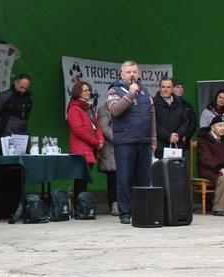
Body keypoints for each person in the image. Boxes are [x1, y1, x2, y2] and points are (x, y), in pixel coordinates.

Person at [106, 60, 157, 224]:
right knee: (124, 178)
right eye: (128, 72)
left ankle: (143, 211)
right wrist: (130, 94)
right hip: (125, 142)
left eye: (134, 72)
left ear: (139, 73)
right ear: (122, 75)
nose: (132, 75)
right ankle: (125, 213)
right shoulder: (114, 91)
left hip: (144, 141)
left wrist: (153, 140)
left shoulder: (146, 92)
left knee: (144, 178)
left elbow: (152, 117)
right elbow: (115, 110)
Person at [66, 81, 104, 201]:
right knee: (81, 180)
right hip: (81, 149)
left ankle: (82, 206)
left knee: (85, 179)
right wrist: (96, 142)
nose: (88, 93)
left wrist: (100, 140)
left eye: (89, 90)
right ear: (78, 92)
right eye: (85, 90)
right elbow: (79, 130)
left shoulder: (89, 108)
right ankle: (79, 207)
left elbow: (96, 125)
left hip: (90, 149)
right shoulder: (74, 109)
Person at [0, 74, 32, 148]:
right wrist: (1, 129)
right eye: (21, 87)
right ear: (16, 83)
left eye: (26, 88)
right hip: (6, 137)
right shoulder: (3, 97)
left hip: (22, 137)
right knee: (7, 159)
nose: (23, 90)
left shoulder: (28, 99)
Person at [154, 78, 190, 158]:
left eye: (168, 87)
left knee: (177, 170)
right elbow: (153, 124)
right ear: (159, 88)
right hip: (160, 148)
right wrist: (168, 136)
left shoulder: (178, 104)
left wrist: (178, 135)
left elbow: (185, 122)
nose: (165, 90)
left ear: (172, 88)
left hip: (177, 145)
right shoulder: (154, 103)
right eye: (163, 87)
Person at [97, 103, 118, 216]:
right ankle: (114, 204)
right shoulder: (103, 110)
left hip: (126, 146)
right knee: (113, 177)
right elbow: (104, 128)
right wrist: (120, 140)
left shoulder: (129, 106)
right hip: (111, 148)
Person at [173, 80, 198, 159]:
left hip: (184, 143)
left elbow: (193, 123)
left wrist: (185, 136)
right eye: (177, 87)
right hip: (169, 141)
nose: (180, 89)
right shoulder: (168, 105)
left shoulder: (188, 106)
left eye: (182, 87)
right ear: (172, 89)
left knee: (183, 166)